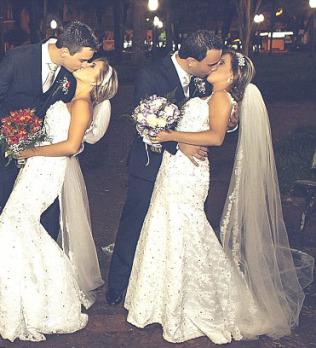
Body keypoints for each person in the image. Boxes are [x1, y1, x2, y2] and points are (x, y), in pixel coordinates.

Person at [123, 51, 314, 343]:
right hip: (174, 169)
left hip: (189, 174)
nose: (214, 65)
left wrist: (170, 137)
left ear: (233, 76)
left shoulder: (223, 98)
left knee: (187, 231)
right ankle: (158, 302)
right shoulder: (208, 94)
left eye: (221, 63)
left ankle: (196, 304)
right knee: (166, 227)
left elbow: (216, 137)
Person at [0, 58, 118, 342]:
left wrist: (31, 153)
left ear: (96, 80)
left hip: (47, 169)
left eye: (93, 65)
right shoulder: (70, 98)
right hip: (37, 165)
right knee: (17, 225)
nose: (86, 63)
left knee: (14, 223)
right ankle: (21, 294)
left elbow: (70, 146)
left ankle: (46, 294)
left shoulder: (82, 105)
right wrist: (28, 142)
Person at [106, 30, 229, 305]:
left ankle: (167, 287)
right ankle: (119, 285)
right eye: (211, 63)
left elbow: (212, 116)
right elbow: (144, 122)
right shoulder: (151, 74)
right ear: (189, 60)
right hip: (150, 164)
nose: (215, 68)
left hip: (184, 173)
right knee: (136, 221)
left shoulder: (204, 80)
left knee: (173, 228)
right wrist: (178, 145)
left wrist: (227, 122)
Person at [0, 20, 98, 241]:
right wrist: (11, 132)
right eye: (82, 60)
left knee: (48, 213)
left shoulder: (69, 76)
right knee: (7, 208)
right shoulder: (18, 58)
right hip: (4, 150)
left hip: (41, 159)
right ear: (64, 51)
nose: (84, 65)